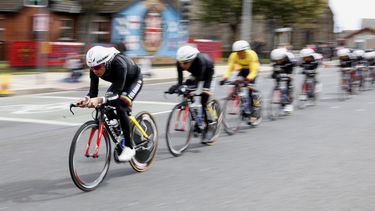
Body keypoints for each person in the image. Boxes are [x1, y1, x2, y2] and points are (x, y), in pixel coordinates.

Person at [76, 46, 143, 162]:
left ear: (106, 63)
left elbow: (116, 93)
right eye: (91, 68)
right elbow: (93, 92)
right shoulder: (95, 69)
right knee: (106, 106)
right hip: (119, 82)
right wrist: (86, 99)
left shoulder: (118, 64)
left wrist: (99, 100)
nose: (95, 71)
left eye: (97, 67)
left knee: (121, 106)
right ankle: (121, 131)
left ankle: (129, 146)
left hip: (133, 80)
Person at [167, 45, 215, 141]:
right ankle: (196, 118)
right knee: (186, 89)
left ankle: (209, 124)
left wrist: (187, 88)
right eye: (181, 63)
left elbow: (196, 85)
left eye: (185, 63)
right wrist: (175, 87)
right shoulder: (180, 63)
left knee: (203, 99)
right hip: (196, 74)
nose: (182, 66)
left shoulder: (200, 61)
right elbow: (180, 82)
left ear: (193, 60)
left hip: (208, 74)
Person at [219, 40, 261, 124]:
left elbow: (253, 71)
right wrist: (225, 78)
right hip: (243, 69)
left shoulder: (252, 55)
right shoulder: (233, 56)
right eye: (238, 52)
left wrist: (248, 80)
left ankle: (255, 110)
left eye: (242, 52)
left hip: (253, 70)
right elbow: (230, 68)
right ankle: (243, 104)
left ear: (247, 51)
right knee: (237, 82)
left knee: (250, 90)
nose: (240, 54)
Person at [270, 47, 296, 113]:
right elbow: (275, 71)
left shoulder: (289, 60)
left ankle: (289, 103)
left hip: (288, 70)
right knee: (278, 81)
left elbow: (291, 70)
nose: (278, 61)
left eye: (280, 59)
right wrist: (273, 75)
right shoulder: (275, 62)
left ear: (283, 57)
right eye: (276, 60)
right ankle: (281, 98)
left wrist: (290, 75)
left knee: (287, 84)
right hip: (280, 71)